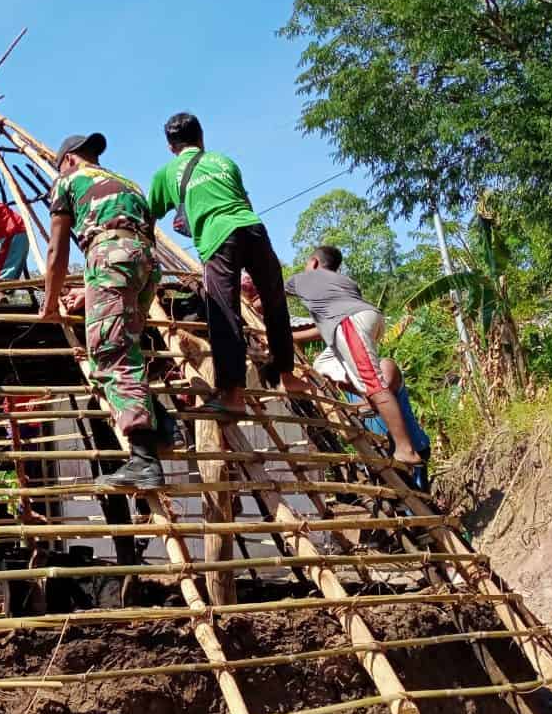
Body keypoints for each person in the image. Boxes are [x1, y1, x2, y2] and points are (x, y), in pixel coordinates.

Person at [40, 131, 166, 490]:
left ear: (67, 160)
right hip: (145, 264)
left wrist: (50, 303)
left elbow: (56, 252)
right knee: (131, 350)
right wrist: (91, 289)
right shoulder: (127, 183)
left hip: (110, 257)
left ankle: (144, 462)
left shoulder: (67, 181)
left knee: (111, 355)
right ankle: (164, 430)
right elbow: (134, 244)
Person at [148, 112, 296, 412]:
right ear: (201, 138)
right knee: (274, 302)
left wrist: (148, 262)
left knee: (224, 314)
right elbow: (243, 202)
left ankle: (232, 397)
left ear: (170, 146)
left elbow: (148, 217)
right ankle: (288, 375)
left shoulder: (166, 173)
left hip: (218, 239)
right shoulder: (225, 161)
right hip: (253, 229)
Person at [285, 245, 424, 467]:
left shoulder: (304, 278)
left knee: (373, 382)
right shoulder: (344, 283)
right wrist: (293, 339)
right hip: (364, 321)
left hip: (352, 324)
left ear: (313, 262)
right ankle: (369, 400)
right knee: (323, 366)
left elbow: (270, 292)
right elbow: (327, 328)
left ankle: (405, 449)